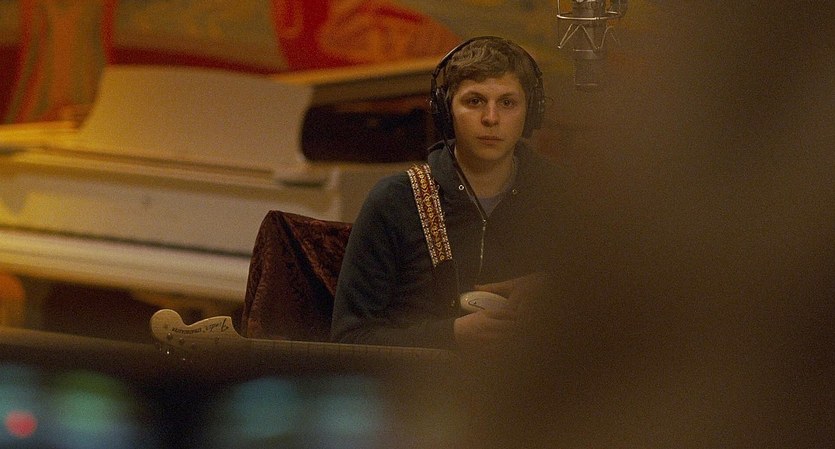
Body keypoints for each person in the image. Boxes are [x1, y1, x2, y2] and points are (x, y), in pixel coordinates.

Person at [330, 36, 566, 350]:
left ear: (531, 113)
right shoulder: (395, 200)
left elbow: (615, 325)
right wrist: (449, 336)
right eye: (474, 101)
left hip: (537, 378)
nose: (491, 118)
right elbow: (349, 338)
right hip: (418, 379)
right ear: (445, 110)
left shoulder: (565, 197)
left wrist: (560, 291)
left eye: (507, 103)